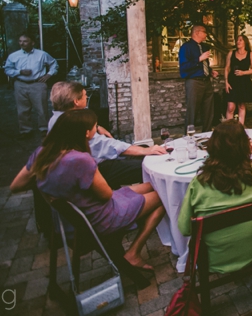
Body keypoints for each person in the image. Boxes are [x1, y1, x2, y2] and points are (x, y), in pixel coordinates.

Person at [10, 110, 166, 270]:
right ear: (86, 133)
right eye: (95, 126)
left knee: (152, 185)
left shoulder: (42, 154)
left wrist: (52, 182)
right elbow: (106, 195)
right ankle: (133, 252)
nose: (97, 129)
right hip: (101, 218)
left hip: (78, 216)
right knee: (163, 195)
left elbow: (16, 186)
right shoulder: (80, 159)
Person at [178, 120, 252, 274]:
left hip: (214, 258)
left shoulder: (199, 183)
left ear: (212, 146)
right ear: (245, 145)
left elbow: (184, 228)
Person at [47, 82, 167, 189]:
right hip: (97, 168)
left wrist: (97, 127)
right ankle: (155, 194)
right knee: (148, 166)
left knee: (145, 150)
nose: (87, 97)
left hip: (96, 160)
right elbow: (107, 145)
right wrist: (144, 151)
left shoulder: (58, 118)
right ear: (76, 101)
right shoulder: (73, 123)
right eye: (84, 95)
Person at [4, 33, 58, 138]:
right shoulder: (14, 56)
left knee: (41, 108)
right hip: (20, 84)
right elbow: (7, 69)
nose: (22, 43)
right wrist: (19, 72)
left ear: (32, 42)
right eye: (20, 41)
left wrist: (49, 74)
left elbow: (54, 63)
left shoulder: (42, 54)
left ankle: (44, 129)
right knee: (22, 109)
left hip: (38, 84)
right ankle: (25, 131)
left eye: (25, 41)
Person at [179, 25, 218, 132]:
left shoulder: (204, 47)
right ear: (197, 33)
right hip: (194, 82)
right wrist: (199, 59)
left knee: (209, 110)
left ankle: (207, 135)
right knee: (192, 111)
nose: (206, 34)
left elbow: (203, 65)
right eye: (204, 32)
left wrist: (210, 72)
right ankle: (188, 136)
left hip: (206, 82)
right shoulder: (186, 47)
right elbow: (183, 67)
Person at [224, 34, 252, 123]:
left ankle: (240, 129)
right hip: (232, 82)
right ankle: (229, 128)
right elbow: (227, 68)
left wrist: (243, 73)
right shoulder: (231, 53)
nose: (238, 42)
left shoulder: (250, 54)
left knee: (241, 106)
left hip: (244, 82)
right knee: (230, 107)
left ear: (245, 42)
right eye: (237, 40)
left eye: (240, 40)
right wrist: (226, 82)